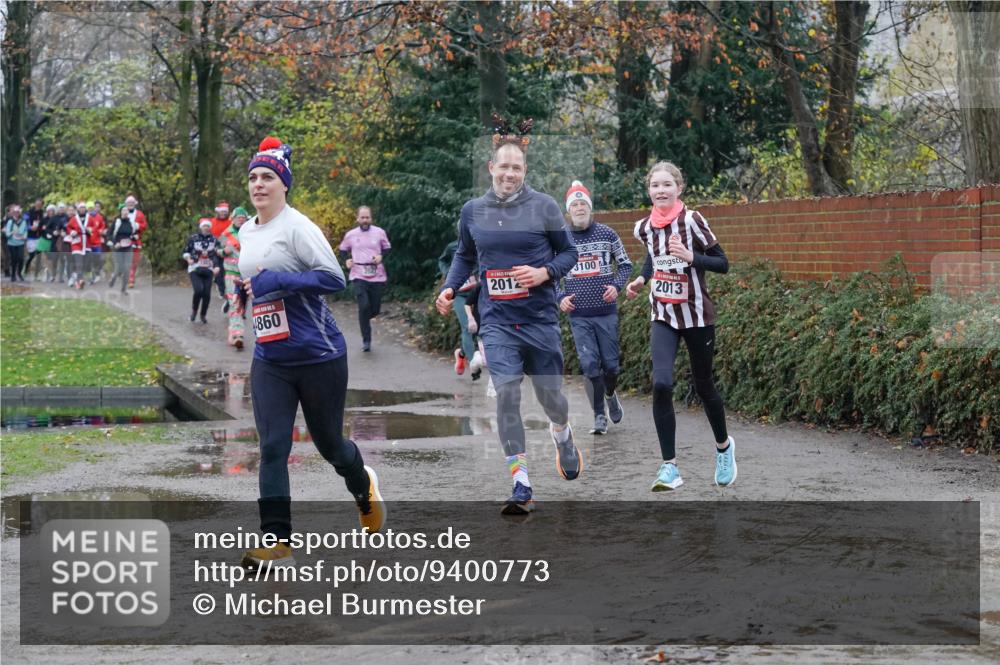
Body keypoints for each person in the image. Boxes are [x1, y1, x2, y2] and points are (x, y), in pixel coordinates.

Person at [239, 136, 384, 568]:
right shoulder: (247, 229)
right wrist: (250, 293)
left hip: (318, 355)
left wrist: (278, 282)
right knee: (272, 447)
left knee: (330, 447)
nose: (259, 185)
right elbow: (255, 279)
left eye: (267, 177)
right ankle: (276, 539)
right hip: (271, 358)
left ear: (284, 184)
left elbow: (334, 279)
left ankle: (363, 486)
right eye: (253, 178)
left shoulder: (299, 227)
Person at [436, 118, 581, 515]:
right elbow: (465, 255)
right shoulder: (473, 211)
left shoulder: (545, 207)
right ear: (491, 168)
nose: (510, 173)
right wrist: (450, 287)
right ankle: (521, 482)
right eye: (504, 166)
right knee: (508, 395)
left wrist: (544, 273)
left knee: (553, 400)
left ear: (524, 172)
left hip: (539, 320)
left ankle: (562, 433)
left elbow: (569, 253)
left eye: (517, 167)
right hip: (497, 321)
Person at [624, 161, 736, 490]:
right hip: (663, 314)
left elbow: (723, 263)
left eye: (667, 185)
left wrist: (691, 257)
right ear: (649, 191)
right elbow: (653, 256)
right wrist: (641, 280)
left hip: (698, 316)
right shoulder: (644, 227)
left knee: (704, 386)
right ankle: (669, 467)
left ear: (679, 188)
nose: (661, 190)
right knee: (661, 383)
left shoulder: (692, 221)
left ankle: (723, 447)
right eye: (655, 186)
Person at [557, 180, 631, 435]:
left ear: (590, 208)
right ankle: (599, 415)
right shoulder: (560, 240)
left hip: (605, 313)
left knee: (611, 367)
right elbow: (552, 273)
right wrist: (559, 297)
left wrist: (618, 286)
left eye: (583, 204)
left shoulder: (608, 234)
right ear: (569, 210)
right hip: (579, 316)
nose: (579, 208)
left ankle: (610, 394)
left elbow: (625, 265)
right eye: (574, 204)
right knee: (589, 366)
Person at [338, 206, 390, 352]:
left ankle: (365, 317)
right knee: (364, 306)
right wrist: (347, 260)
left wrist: (381, 256)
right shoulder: (351, 235)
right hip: (358, 273)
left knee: (374, 308)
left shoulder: (379, 232)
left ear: (371, 218)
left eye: (367, 217)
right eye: (362, 218)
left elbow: (387, 248)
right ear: (358, 219)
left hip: (377, 274)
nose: (365, 220)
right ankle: (366, 340)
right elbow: (343, 249)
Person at [438, 234, 484, 378]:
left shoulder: (482, 243)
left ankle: (462, 354)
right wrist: (447, 272)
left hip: (476, 292)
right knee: (468, 326)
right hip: (459, 294)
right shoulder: (452, 246)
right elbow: (442, 261)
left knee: (480, 326)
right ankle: (473, 365)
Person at [220, 206, 249, 349]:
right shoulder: (226, 234)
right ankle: (237, 334)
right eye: (239, 218)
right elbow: (217, 250)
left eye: (243, 218)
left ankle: (233, 332)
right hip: (232, 274)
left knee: (243, 305)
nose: (241, 221)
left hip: (248, 274)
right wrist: (223, 251)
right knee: (235, 303)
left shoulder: (252, 233)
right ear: (233, 219)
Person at [183, 218, 219, 323]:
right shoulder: (193, 238)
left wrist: (217, 266)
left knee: (207, 294)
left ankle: (203, 315)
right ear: (201, 227)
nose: (206, 228)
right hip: (195, 267)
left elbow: (217, 254)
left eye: (208, 226)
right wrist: (188, 259)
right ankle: (194, 312)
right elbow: (186, 251)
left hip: (208, 268)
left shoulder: (214, 239)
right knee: (198, 290)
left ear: (210, 228)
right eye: (204, 226)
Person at [107, 204, 137, 294]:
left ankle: (124, 289)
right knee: (118, 269)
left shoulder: (131, 222)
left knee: (127, 269)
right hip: (118, 248)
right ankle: (113, 279)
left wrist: (134, 237)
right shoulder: (117, 222)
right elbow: (109, 234)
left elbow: (132, 234)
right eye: (123, 210)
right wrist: (115, 243)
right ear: (120, 212)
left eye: (127, 210)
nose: (125, 212)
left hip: (128, 248)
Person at [64, 202, 93, 289]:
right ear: (78, 209)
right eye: (80, 208)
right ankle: (79, 281)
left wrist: (90, 230)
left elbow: (94, 228)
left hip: (87, 243)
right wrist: (72, 232)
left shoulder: (90, 218)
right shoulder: (73, 219)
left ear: (86, 209)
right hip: (77, 242)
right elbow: (68, 227)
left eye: (84, 208)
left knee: (85, 262)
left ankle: (77, 277)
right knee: (78, 262)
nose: (82, 209)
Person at [209, 201, 231, 304]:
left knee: (226, 270)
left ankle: (224, 287)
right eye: (221, 212)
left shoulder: (230, 222)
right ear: (218, 212)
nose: (223, 214)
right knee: (219, 269)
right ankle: (222, 291)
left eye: (225, 212)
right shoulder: (212, 222)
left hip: (227, 249)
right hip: (214, 249)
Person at [123, 195, 147, 288]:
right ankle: (130, 278)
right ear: (126, 204)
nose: (130, 204)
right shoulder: (123, 213)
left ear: (135, 204)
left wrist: (138, 226)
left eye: (132, 203)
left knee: (135, 260)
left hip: (137, 240)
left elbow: (144, 225)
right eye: (129, 203)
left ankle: (131, 275)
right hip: (126, 240)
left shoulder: (140, 214)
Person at [3, 205, 28, 282]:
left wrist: (24, 237)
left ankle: (19, 273)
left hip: (20, 242)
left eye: (18, 212)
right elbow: (7, 233)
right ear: (13, 213)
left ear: (19, 213)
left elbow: (25, 231)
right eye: (15, 212)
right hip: (12, 243)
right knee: (14, 259)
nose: (16, 213)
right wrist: (12, 232)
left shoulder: (23, 221)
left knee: (21, 259)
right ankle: (13, 275)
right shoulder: (10, 221)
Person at [85, 200, 106, 284]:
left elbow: (102, 226)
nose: (90, 209)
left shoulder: (99, 217)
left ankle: (97, 273)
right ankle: (90, 275)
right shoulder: (85, 217)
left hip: (97, 242)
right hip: (88, 243)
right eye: (89, 208)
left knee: (98, 258)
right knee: (88, 259)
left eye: (91, 208)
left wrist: (101, 230)